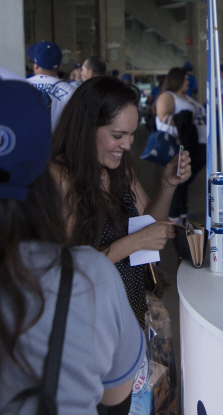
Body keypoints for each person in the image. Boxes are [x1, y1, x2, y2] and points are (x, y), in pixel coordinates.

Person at [0, 79, 144, 414]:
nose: (125, 145)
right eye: (117, 134)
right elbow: (115, 392)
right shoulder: (87, 275)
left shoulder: (121, 173)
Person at [49, 76, 192, 328]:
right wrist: (135, 242)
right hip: (90, 316)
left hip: (129, 303)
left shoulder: (120, 168)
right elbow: (67, 265)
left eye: (132, 134)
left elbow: (148, 221)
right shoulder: (61, 177)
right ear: (85, 127)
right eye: (117, 135)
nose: (126, 145)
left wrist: (168, 185)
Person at [155, 67, 206, 220]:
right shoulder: (168, 96)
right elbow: (163, 119)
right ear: (177, 79)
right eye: (185, 78)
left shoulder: (186, 97)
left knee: (184, 178)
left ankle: (181, 211)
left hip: (196, 143)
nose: (187, 81)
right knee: (180, 178)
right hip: (181, 144)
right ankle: (174, 214)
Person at [26, 41, 76, 130]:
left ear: (36, 65)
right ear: (60, 65)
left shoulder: (22, 87)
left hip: (29, 142)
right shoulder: (71, 91)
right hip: (60, 142)